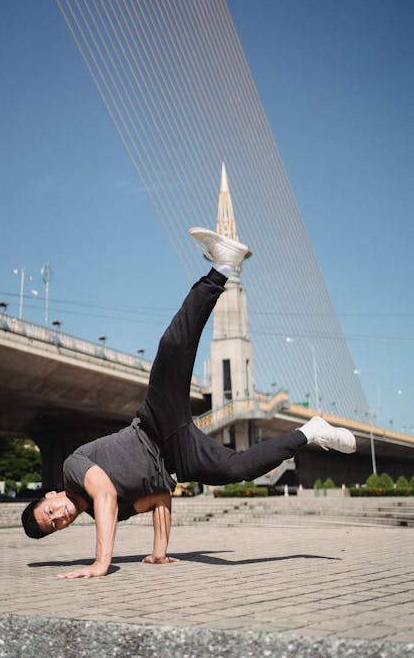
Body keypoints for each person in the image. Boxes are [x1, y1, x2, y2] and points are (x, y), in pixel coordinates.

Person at [22, 228, 356, 578]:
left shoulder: (73, 469)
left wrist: (103, 561)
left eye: (50, 514)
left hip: (153, 425)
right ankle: (310, 432)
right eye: (55, 527)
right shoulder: (111, 512)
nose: (59, 518)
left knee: (173, 347)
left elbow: (103, 491)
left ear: (50, 496)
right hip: (176, 456)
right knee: (235, 470)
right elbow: (158, 500)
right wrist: (158, 553)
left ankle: (222, 269)